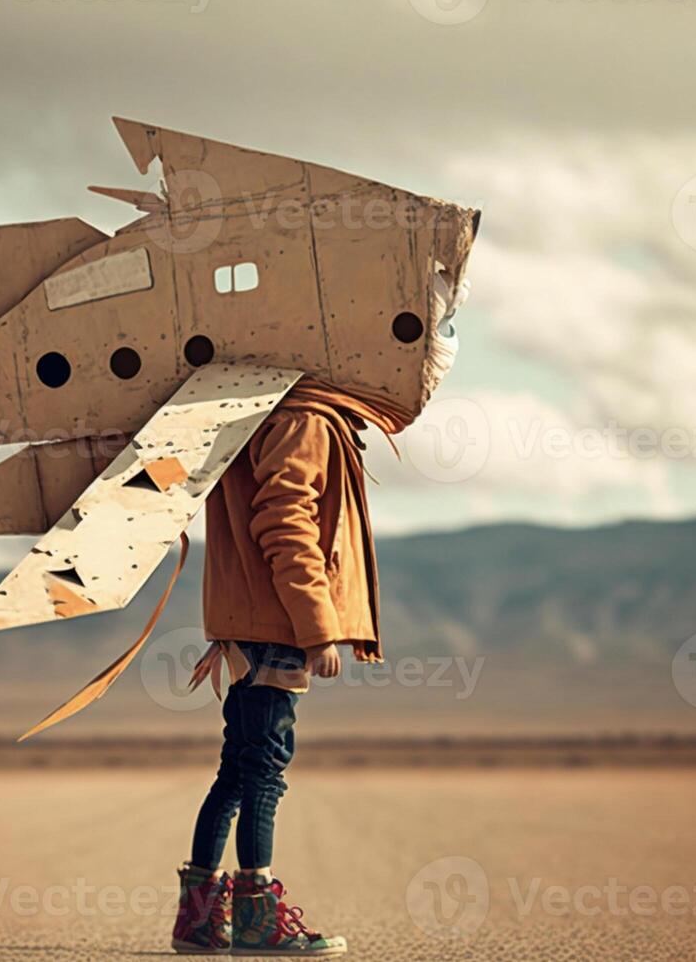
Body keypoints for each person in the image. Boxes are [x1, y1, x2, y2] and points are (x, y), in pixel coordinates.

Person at [170, 375, 414, 957]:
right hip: (274, 630)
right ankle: (256, 921)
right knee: (263, 775)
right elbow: (286, 523)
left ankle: (200, 921)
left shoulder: (261, 415)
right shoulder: (302, 420)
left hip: (253, 625)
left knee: (238, 772)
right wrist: (317, 627)